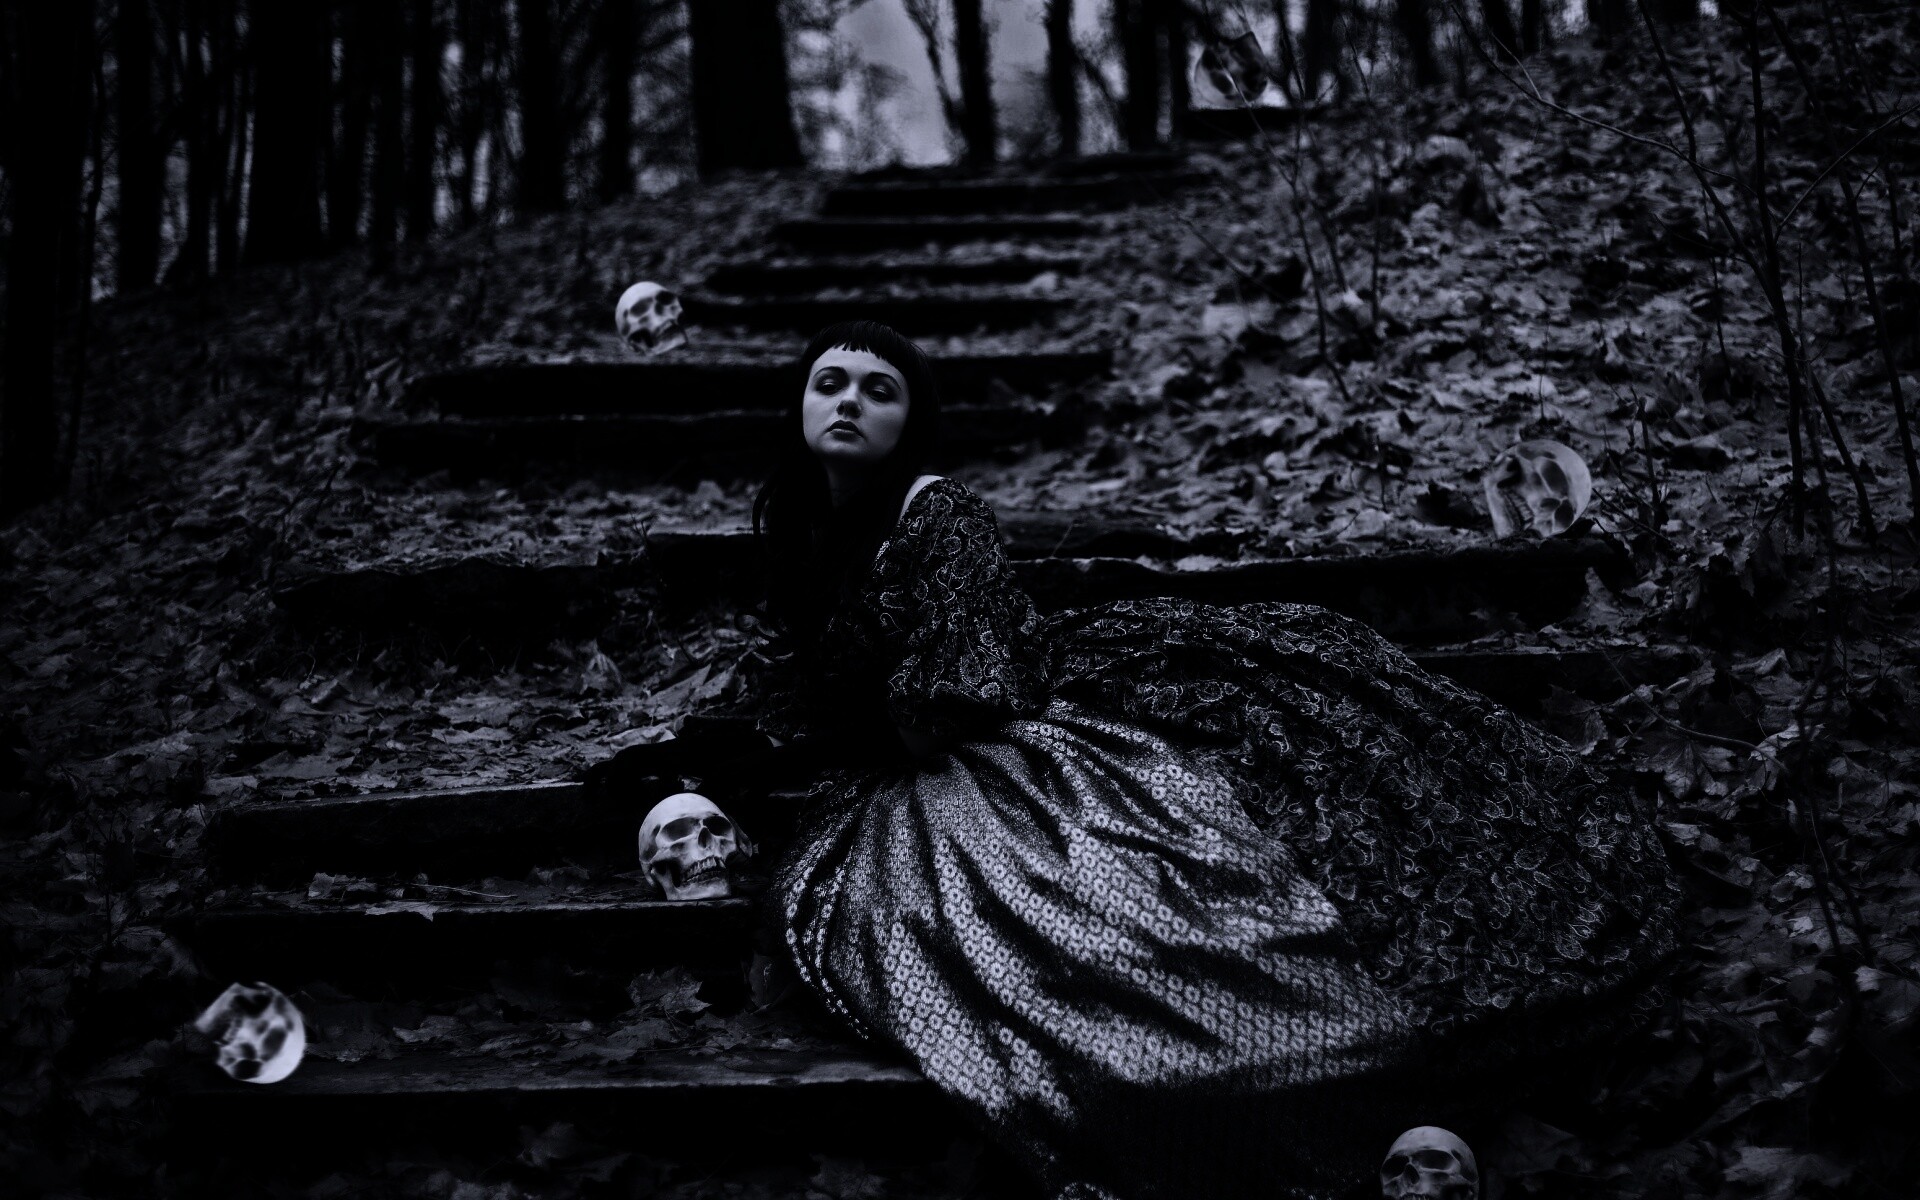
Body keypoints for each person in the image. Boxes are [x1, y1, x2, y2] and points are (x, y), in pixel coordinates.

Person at [617, 321, 1683, 1200]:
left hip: (993, 727)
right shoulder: (808, 523)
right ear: (800, 406)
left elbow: (965, 682)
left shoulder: (938, 512)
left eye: (878, 390)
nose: (849, 402)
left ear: (912, 419)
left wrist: (871, 731)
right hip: (914, 742)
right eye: (830, 384)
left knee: (1087, 889)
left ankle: (1319, 1038)